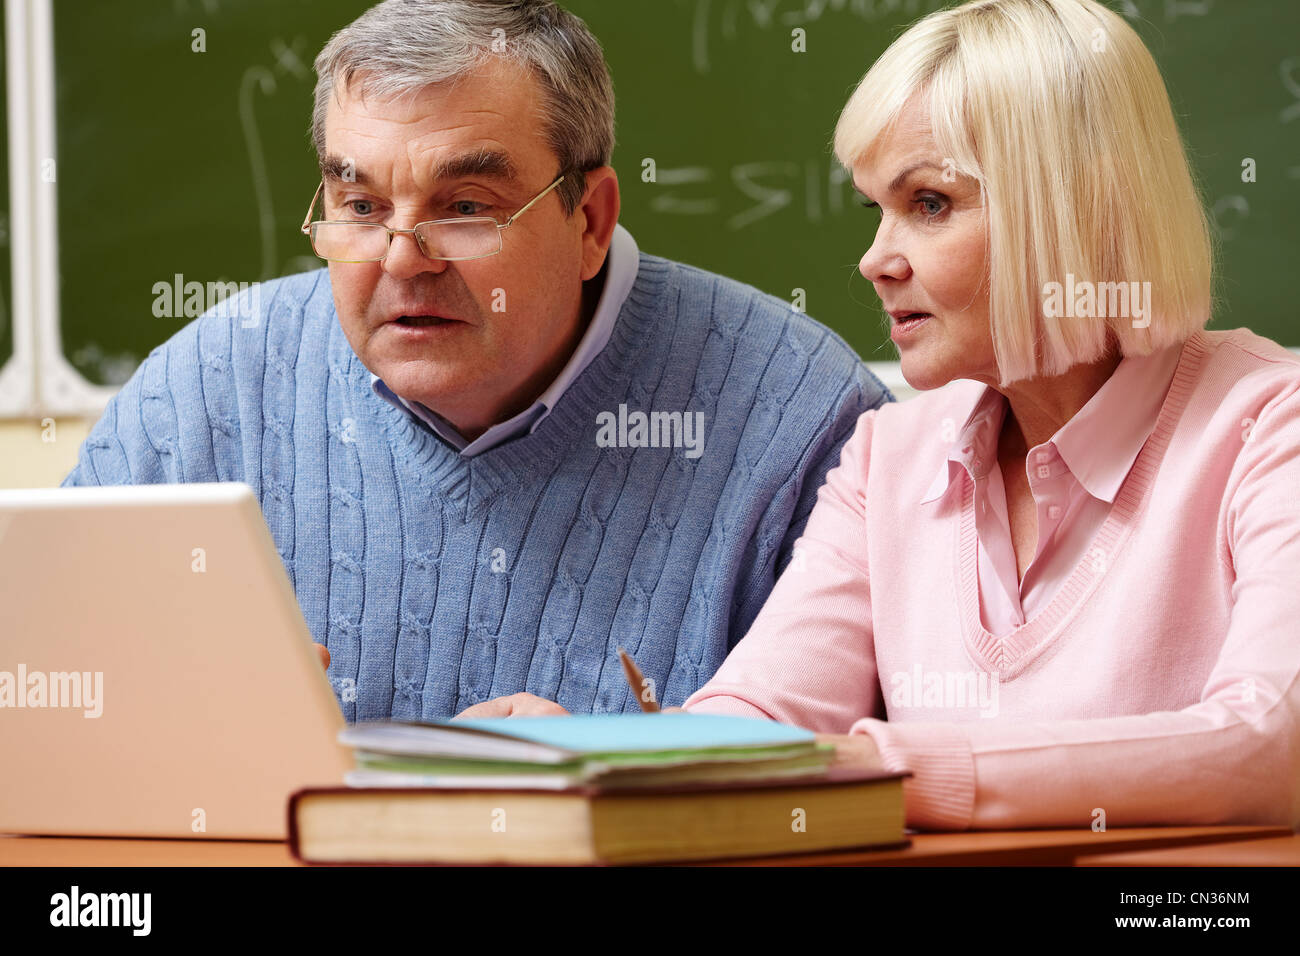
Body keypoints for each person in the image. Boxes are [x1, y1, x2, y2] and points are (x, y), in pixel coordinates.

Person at [59, 0, 890, 722]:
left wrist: (623, 771)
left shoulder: (802, 418)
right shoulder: (207, 387)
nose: (401, 258)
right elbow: (41, 690)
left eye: (464, 207)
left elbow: (864, 782)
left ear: (591, 221)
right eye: (359, 205)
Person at [683, 0, 1300, 830]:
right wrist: (591, 757)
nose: (873, 260)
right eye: (876, 209)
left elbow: (1270, 747)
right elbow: (762, 714)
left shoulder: (1271, 423)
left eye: (929, 203)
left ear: (1080, 210)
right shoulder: (887, 454)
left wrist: (893, 771)